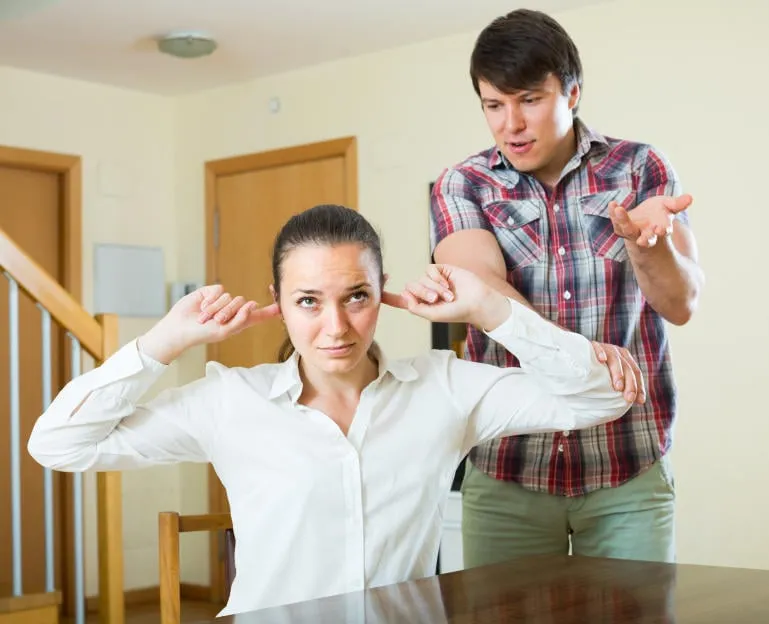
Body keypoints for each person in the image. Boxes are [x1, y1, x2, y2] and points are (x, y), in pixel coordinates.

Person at [28, 204, 632, 616]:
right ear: (279, 303)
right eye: (309, 301)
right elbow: (57, 443)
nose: (336, 327)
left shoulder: (444, 388)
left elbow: (602, 397)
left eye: (357, 298)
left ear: (383, 291)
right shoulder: (229, 401)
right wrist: (162, 343)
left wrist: (488, 309)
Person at [430, 8, 704, 568]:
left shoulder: (641, 169)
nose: (511, 123)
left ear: (572, 93)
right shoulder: (464, 184)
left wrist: (647, 245)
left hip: (627, 466)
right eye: (493, 105)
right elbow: (481, 289)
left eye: (529, 99)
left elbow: (681, 305)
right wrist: (579, 357)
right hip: (509, 472)